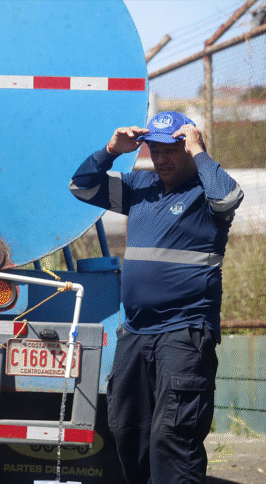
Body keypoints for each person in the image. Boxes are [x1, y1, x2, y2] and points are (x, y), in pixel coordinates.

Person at [69, 111, 243, 484]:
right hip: (135, 333)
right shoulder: (140, 186)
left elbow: (229, 198)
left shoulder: (205, 190)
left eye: (170, 150)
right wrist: (111, 151)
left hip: (184, 332)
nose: (161, 159)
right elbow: (81, 186)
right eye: (155, 150)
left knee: (173, 436)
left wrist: (199, 151)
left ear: (188, 147)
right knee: (127, 428)